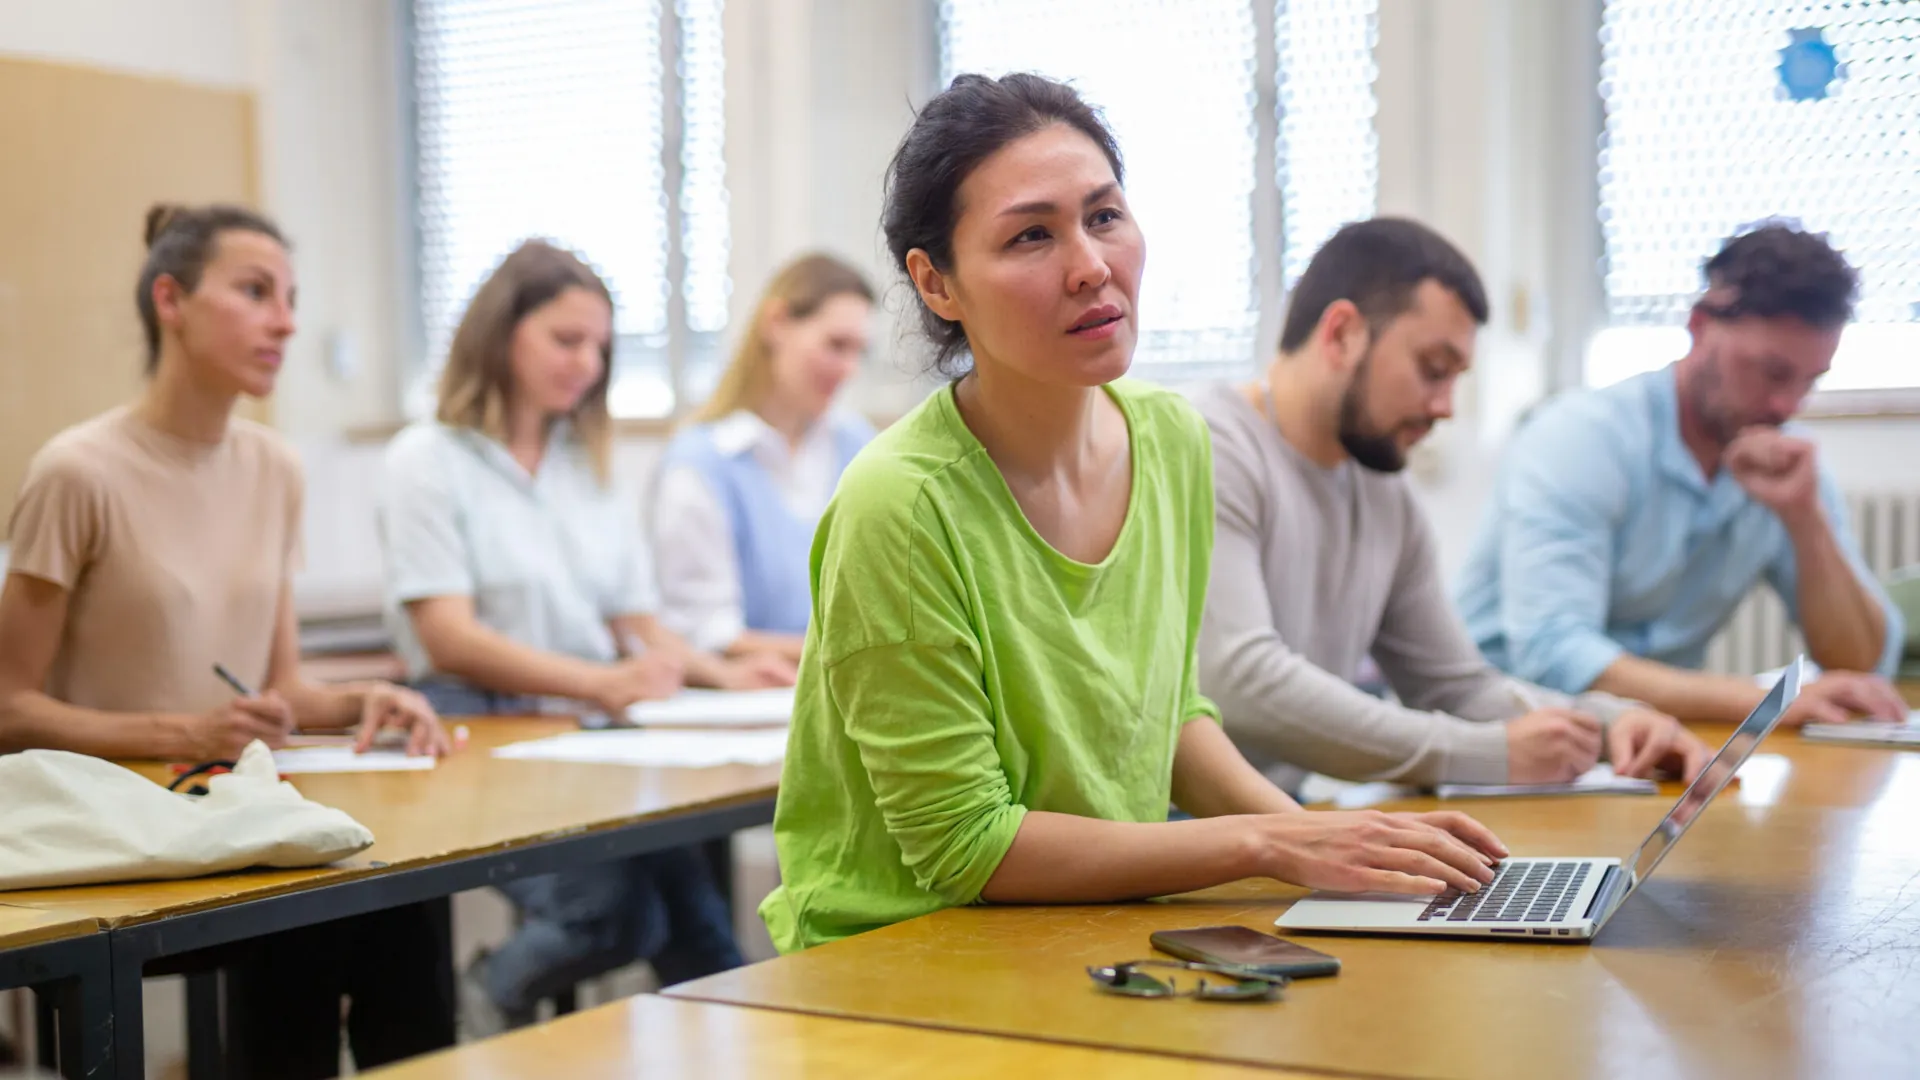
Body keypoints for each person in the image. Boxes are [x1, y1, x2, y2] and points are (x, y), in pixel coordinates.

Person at [759, 72, 1508, 955]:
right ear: (937, 284)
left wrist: (1328, 844)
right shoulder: (901, 503)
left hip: (1085, 930)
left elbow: (1171, 715)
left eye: (1105, 215)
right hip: (896, 959)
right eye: (1032, 235)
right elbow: (968, 847)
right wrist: (1269, 843)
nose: (1091, 266)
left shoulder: (1170, 438)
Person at [0, 204, 454, 1078]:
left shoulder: (273, 467)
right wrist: (186, 731)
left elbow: (277, 688)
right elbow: (7, 708)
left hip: (230, 818)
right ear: (170, 301)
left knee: (397, 904)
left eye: (291, 298)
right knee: (310, 925)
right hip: (111, 836)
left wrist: (365, 701)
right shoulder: (77, 472)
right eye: (255, 292)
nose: (285, 322)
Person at [377, 239, 761, 1032]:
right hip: (480, 729)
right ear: (500, 333)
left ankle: (758, 1055)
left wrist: (723, 676)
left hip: (583, 733)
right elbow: (448, 638)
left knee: (699, 922)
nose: (587, 363)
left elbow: (636, 623)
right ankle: (491, 992)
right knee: (615, 915)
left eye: (600, 348)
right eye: (566, 339)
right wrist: (598, 683)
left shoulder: (581, 465)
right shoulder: (427, 459)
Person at [1194, 218, 1710, 793]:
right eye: (1433, 370)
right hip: (1174, 824)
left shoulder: (1383, 490)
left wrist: (1608, 725)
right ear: (1341, 335)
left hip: (1277, 815)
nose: (1445, 408)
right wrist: (1488, 755)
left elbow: (1452, 687)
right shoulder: (1212, 448)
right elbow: (1240, 681)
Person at [1456, 223, 1907, 727]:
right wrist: (1761, 703)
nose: (1787, 405)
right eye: (1772, 372)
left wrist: (1806, 520)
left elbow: (1864, 667)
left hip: (1642, 737)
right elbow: (1552, 656)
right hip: (1498, 729)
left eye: (1810, 381)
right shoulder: (1580, 437)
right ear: (1699, 326)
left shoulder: (1784, 463)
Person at [652, 253, 877, 671]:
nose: (848, 369)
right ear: (776, 323)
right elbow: (707, 634)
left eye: (858, 352)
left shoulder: (858, 445)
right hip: (757, 696)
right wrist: (857, 650)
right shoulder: (701, 464)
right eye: (835, 345)